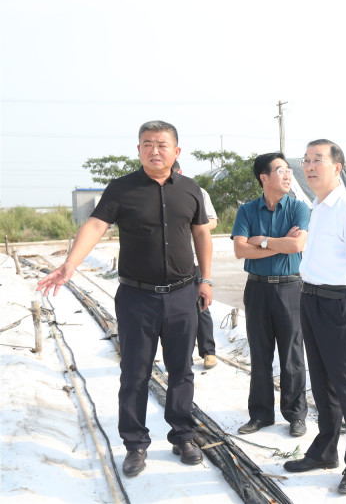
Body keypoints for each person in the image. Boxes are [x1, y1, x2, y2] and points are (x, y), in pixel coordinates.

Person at [36, 120, 213, 477]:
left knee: (181, 370)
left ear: (176, 151)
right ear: (138, 150)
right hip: (137, 297)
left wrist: (205, 279)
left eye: (162, 144)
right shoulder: (121, 188)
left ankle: (182, 436)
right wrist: (70, 264)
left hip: (182, 294)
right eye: (147, 144)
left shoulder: (191, 189)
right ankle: (135, 444)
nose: (154, 150)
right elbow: (95, 226)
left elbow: (201, 234)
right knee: (135, 372)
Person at [283, 139, 346, 495]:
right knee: (322, 383)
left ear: (337, 167)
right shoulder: (318, 205)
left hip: (339, 303)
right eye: (306, 160)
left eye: (317, 160)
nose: (309, 166)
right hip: (311, 299)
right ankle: (325, 451)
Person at [231, 153, 310, 438]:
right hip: (257, 289)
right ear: (264, 177)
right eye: (281, 170)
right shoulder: (247, 211)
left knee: (292, 355)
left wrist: (263, 242)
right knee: (260, 353)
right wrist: (282, 244)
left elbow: (297, 245)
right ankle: (261, 415)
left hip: (291, 288)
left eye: (289, 170)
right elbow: (240, 250)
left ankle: (296, 415)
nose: (288, 175)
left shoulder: (299, 208)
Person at [173, 160, 218, 369]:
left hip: (193, 259)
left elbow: (213, 221)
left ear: (180, 172)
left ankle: (208, 351)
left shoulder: (197, 192)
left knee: (201, 306)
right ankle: (184, 356)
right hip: (171, 263)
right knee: (176, 312)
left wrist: (191, 226)